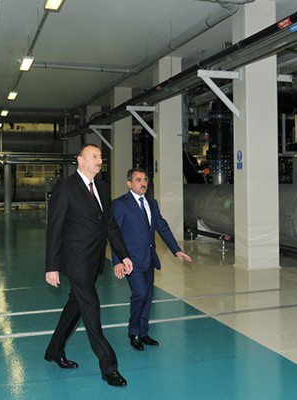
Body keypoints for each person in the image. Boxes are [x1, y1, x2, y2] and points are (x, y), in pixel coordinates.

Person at [45, 143, 134, 387]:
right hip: (76, 261)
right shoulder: (66, 188)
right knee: (92, 310)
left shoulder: (102, 188)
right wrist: (51, 266)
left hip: (94, 261)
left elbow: (110, 226)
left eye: (101, 156)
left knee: (75, 306)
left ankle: (54, 349)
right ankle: (109, 367)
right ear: (80, 160)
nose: (99, 160)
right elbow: (55, 229)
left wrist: (123, 255)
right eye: (93, 156)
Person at [112, 168, 192, 351]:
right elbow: (115, 234)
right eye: (138, 180)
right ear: (129, 183)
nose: (143, 183)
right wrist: (117, 260)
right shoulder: (120, 204)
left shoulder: (152, 203)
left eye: (145, 180)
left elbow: (162, 227)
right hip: (130, 261)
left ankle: (144, 332)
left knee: (147, 297)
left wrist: (176, 250)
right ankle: (133, 333)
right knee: (140, 294)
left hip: (149, 259)